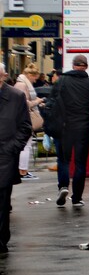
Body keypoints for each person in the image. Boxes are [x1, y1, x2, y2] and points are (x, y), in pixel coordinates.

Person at [50, 55, 89, 208]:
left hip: (63, 126)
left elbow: (52, 99)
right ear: (86, 67)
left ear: (73, 66)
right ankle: (77, 198)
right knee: (80, 162)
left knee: (63, 159)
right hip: (83, 128)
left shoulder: (61, 81)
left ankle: (63, 186)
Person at [0, 63, 33, 253]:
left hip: (5, 156)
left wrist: (11, 148)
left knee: (2, 201)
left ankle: (1, 240)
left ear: (3, 76)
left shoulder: (16, 96)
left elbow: (25, 127)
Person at [14, 64, 43, 180]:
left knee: (26, 145)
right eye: (35, 77)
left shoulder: (22, 83)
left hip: (23, 117)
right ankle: (22, 171)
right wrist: (37, 101)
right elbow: (24, 103)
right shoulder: (22, 85)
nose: (35, 80)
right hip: (24, 118)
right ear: (30, 75)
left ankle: (23, 170)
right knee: (26, 145)